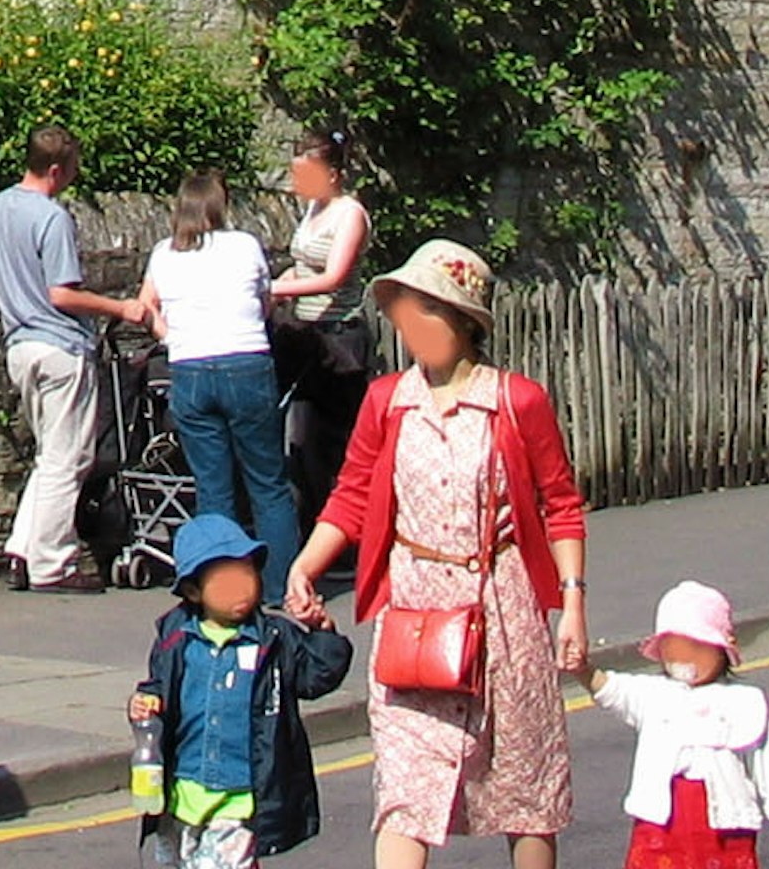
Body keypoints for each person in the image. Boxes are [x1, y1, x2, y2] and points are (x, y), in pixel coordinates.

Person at [285, 239, 589, 869]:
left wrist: (573, 604)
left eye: (429, 312)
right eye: (406, 311)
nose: (413, 328)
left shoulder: (516, 401)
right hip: (414, 616)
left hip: (502, 615)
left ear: (465, 323)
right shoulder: (387, 401)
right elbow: (352, 493)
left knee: (523, 783)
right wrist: (305, 565)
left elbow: (561, 504)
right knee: (405, 790)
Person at [128, 512, 353, 865]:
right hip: (182, 791)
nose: (242, 587)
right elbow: (158, 683)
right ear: (192, 590)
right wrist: (146, 701)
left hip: (240, 793)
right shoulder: (176, 638)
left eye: (247, 573)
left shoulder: (274, 638)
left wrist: (323, 630)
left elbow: (318, 676)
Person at [129, 172, 300, 602]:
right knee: (267, 483)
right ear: (219, 205)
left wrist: (170, 335)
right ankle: (279, 587)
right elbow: (264, 302)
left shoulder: (164, 254)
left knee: (213, 486)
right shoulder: (244, 244)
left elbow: (143, 307)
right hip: (246, 362)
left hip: (190, 369)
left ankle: (222, 589)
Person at [0, 123, 138, 595]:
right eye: (71, 170)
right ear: (56, 170)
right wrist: (121, 308)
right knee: (69, 459)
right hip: (58, 347)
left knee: (49, 456)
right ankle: (52, 564)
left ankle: (22, 550)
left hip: (20, 344)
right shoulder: (51, 218)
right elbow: (61, 294)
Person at [579, 580, 769, 866]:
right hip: (663, 822)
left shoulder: (743, 701)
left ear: (721, 651)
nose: (683, 659)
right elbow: (611, 689)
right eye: (673, 649)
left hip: (725, 825)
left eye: (695, 647)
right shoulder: (654, 695)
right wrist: (582, 670)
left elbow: (767, 760)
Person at [270, 135, 374, 532]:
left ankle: (349, 533)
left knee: (334, 437)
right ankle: (316, 526)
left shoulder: (350, 214)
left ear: (333, 175)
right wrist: (272, 286)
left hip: (339, 337)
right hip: (307, 332)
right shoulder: (312, 209)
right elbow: (302, 268)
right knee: (301, 436)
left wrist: (273, 290)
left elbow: (333, 277)